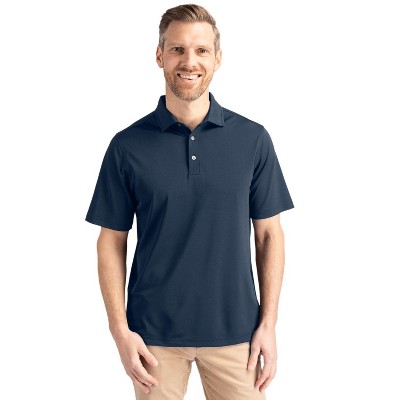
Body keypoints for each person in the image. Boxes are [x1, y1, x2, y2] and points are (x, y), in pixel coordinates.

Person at [85, 3, 294, 399]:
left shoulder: (253, 140)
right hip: (152, 337)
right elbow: (111, 240)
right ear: (159, 55)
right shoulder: (127, 146)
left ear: (217, 58)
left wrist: (268, 324)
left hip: (238, 333)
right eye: (177, 49)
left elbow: (269, 235)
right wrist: (119, 330)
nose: (189, 61)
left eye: (201, 50)